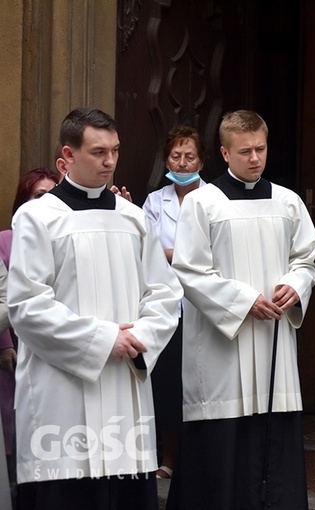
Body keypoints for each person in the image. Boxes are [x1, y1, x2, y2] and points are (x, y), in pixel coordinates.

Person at [7, 107, 183, 510]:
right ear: (66, 156)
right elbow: (27, 305)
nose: (109, 162)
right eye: (98, 152)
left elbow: (165, 293)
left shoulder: (134, 219)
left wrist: (139, 339)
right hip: (63, 389)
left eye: (115, 151)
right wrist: (106, 339)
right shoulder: (37, 218)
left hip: (124, 384)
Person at [168, 110, 315, 509]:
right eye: (245, 151)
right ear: (224, 152)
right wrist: (242, 300)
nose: (255, 158)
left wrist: (296, 284)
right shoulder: (203, 203)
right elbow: (189, 270)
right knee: (223, 450)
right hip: (223, 348)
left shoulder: (287, 202)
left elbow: (306, 258)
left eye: (261, 149)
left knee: (274, 432)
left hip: (274, 340)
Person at [141, 125, 206, 480]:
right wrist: (186, 253)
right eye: (176, 157)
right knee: (167, 384)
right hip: (167, 304)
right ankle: (168, 457)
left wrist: (172, 253)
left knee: (199, 382)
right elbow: (149, 251)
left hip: (203, 307)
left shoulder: (213, 199)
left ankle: (197, 459)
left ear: (203, 160)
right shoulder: (155, 201)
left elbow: (209, 254)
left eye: (189, 157)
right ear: (166, 159)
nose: (182, 164)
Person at [0, 167, 60, 504]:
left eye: (53, 194)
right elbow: (4, 297)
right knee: (13, 430)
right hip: (14, 352)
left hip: (53, 350)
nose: (46, 202)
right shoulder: (5, 240)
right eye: (39, 195)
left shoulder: (65, 236)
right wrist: (4, 343)